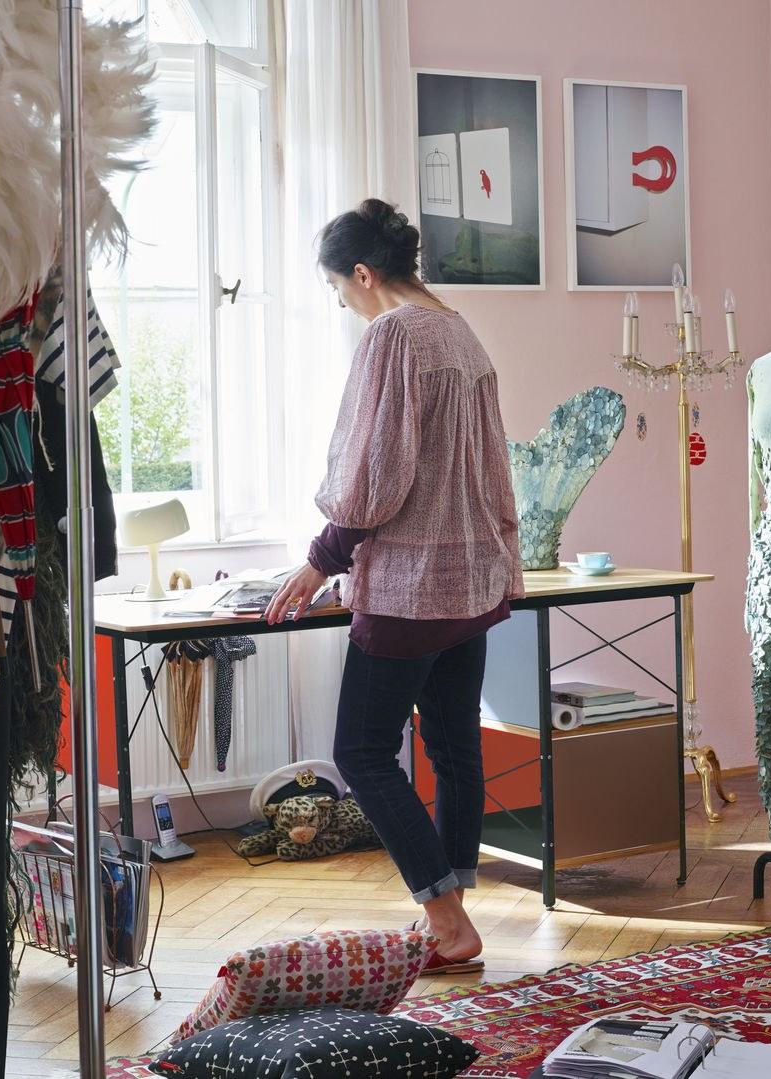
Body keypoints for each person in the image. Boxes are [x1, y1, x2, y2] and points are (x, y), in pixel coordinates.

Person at [265, 198, 523, 972]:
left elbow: (374, 474)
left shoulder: (392, 337)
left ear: (365, 274)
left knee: (363, 750)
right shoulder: (460, 330)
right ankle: (455, 916)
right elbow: (492, 470)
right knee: (452, 747)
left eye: (340, 289)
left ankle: (445, 919)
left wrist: (320, 558)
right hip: (471, 579)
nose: (343, 303)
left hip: (411, 586)